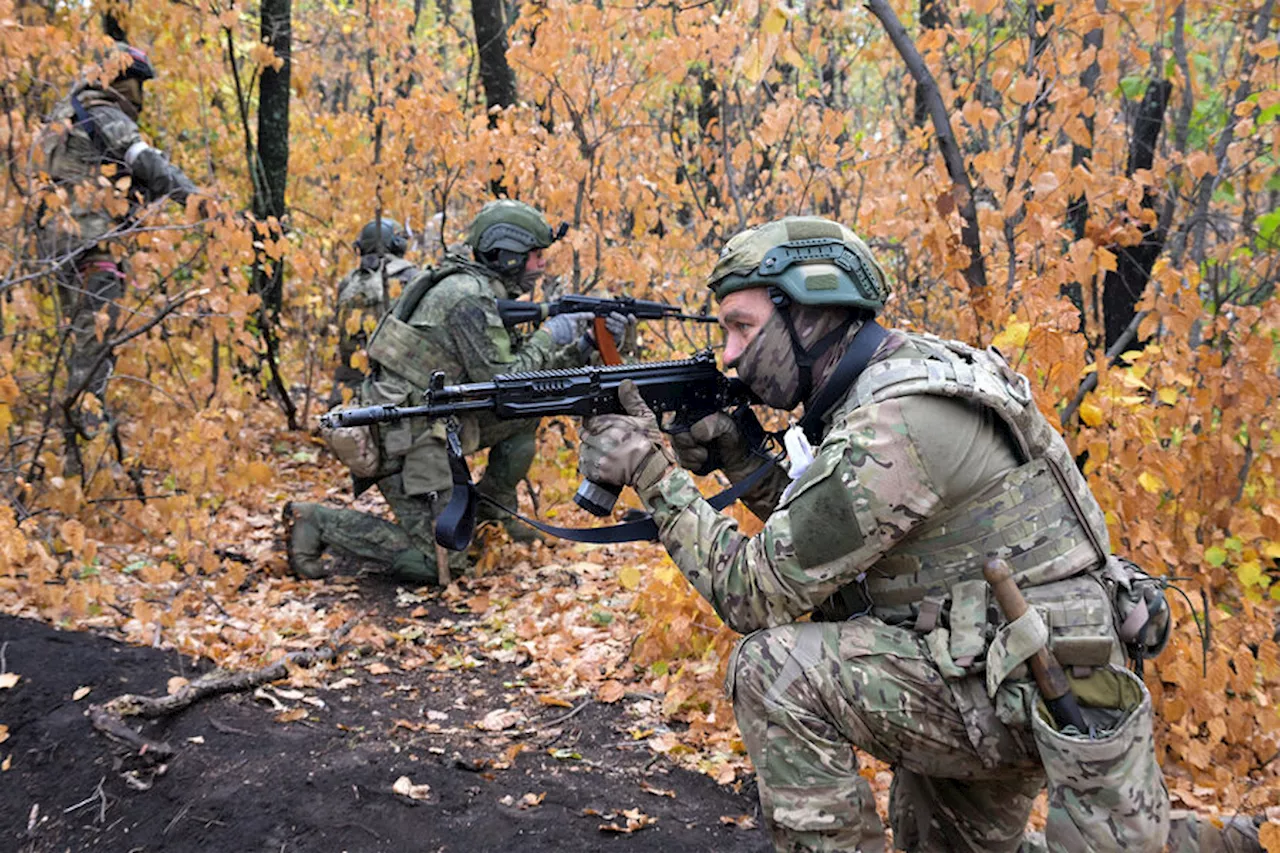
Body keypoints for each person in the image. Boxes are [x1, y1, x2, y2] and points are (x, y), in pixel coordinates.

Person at [576, 216, 1177, 852]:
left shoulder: (894, 424)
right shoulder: (908, 371)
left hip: (1021, 693)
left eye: (741, 327)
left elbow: (753, 593)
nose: (728, 354)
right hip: (1008, 668)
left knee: (774, 670)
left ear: (810, 315)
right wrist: (745, 460)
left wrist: (652, 470)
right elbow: (837, 547)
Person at [286, 200, 630, 583]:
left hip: (434, 422)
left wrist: (584, 344)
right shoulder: (466, 296)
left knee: (527, 412)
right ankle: (318, 521)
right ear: (506, 255)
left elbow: (520, 382)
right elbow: (508, 378)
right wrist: (551, 335)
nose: (541, 265)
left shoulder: (476, 287)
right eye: (534, 255)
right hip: (404, 438)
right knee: (442, 566)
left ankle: (490, 513)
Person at [35, 43, 205, 474]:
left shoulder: (65, 115)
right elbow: (145, 162)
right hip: (93, 245)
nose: (139, 99)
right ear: (119, 80)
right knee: (93, 358)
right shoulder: (102, 113)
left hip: (60, 249)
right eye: (136, 86)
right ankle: (86, 468)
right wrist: (201, 205)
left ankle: (82, 459)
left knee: (82, 351)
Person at [330, 218, 421, 406]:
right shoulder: (411, 277)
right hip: (395, 388)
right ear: (397, 244)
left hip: (350, 383)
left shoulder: (349, 281)